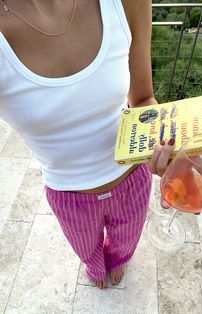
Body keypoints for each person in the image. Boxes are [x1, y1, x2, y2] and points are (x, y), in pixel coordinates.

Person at [0, 0, 175, 289]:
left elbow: (143, 99)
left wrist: (162, 140)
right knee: (85, 250)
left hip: (132, 179)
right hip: (69, 197)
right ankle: (94, 266)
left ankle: (117, 260)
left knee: (126, 242)